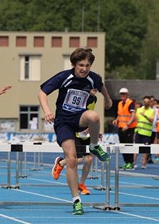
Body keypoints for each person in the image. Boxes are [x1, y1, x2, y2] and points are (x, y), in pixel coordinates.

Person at [38, 47, 112, 215]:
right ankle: (76, 201)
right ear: (74, 64)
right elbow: (42, 93)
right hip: (63, 122)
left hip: (79, 118)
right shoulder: (64, 77)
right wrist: (47, 111)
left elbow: (103, 87)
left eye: (87, 65)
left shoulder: (92, 79)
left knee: (94, 117)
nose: (84, 69)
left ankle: (94, 146)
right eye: (80, 65)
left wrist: (107, 100)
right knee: (72, 160)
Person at [52, 89, 99, 195]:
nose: (95, 89)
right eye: (93, 86)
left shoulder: (94, 99)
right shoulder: (80, 96)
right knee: (77, 160)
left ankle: (81, 184)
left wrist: (94, 128)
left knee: (89, 159)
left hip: (86, 133)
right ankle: (60, 163)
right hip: (76, 132)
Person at [112, 88, 137, 170]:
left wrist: (128, 125)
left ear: (127, 94)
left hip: (129, 127)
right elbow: (120, 114)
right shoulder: (119, 103)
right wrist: (116, 120)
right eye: (121, 94)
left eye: (124, 94)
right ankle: (126, 162)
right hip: (121, 127)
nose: (122, 95)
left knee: (128, 144)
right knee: (122, 145)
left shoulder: (130, 103)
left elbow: (133, 115)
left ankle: (130, 162)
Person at [133, 96, 155, 169]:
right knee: (136, 148)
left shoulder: (152, 111)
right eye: (144, 101)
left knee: (144, 149)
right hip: (138, 131)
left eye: (147, 101)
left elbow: (152, 120)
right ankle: (134, 162)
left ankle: (144, 163)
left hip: (146, 133)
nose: (146, 103)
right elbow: (135, 119)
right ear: (143, 102)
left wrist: (145, 116)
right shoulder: (139, 110)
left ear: (149, 103)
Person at [148, 96, 159, 163]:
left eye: (153, 101)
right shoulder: (146, 109)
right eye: (151, 101)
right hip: (147, 129)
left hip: (154, 129)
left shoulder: (156, 110)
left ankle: (149, 157)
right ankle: (147, 157)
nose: (153, 102)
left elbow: (157, 119)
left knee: (151, 143)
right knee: (146, 143)